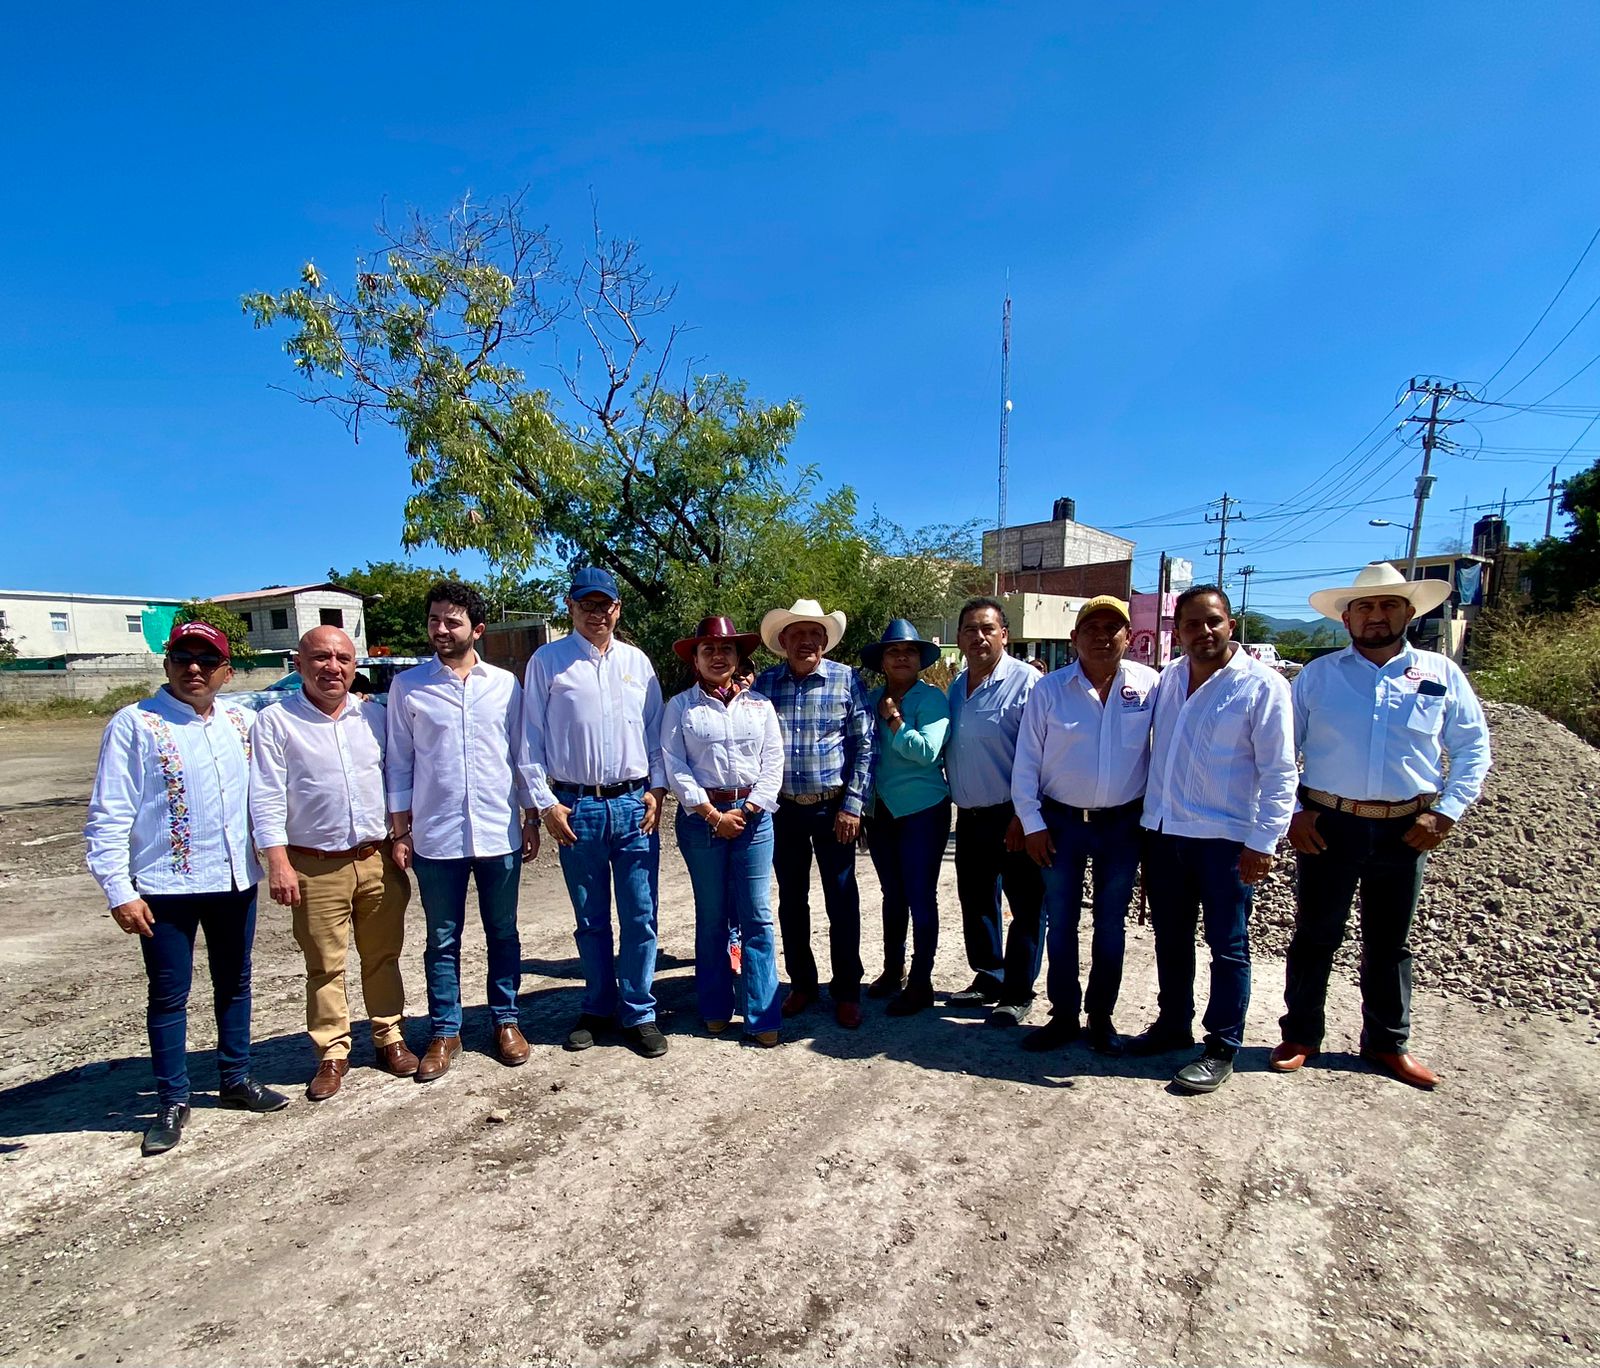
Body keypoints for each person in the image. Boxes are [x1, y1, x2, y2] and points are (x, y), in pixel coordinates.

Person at [1271, 562, 1491, 1089]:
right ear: (1346, 619)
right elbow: (1281, 752)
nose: (1376, 616)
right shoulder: (1318, 677)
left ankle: (1387, 1043)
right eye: (1365, 607)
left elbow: (1472, 748)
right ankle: (1301, 1034)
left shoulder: (1441, 675)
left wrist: (1447, 811)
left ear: (1409, 612)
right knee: (1315, 934)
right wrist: (1293, 815)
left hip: (1406, 827)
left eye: (1388, 605)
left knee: (1390, 941)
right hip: (1329, 825)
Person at [85, 622, 288, 1155]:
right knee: (170, 993)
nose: (193, 668)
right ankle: (173, 1100)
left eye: (206, 659)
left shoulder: (243, 723)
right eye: (182, 657)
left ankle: (235, 1079)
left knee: (235, 983)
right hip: (163, 887)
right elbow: (108, 814)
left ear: (227, 670)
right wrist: (117, 889)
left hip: (232, 881)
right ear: (168, 664)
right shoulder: (136, 725)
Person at [1127, 587, 1297, 1093]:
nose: (1204, 632)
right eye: (1193, 624)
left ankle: (1222, 1045)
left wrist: (1263, 841)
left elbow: (1280, 771)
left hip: (1225, 842)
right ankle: (1172, 1023)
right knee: (1170, 938)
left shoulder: (1261, 687)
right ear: (1176, 630)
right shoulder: (1170, 679)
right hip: (1165, 834)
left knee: (1228, 946)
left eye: (1214, 621)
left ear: (1231, 625)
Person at [250, 626, 417, 1101]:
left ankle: (390, 1036)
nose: (333, 667)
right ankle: (332, 1052)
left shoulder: (375, 717)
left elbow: (397, 781)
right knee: (324, 963)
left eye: (343, 659)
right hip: (314, 864)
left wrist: (401, 836)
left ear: (354, 665)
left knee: (383, 955)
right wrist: (277, 861)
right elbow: (264, 795)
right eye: (321, 657)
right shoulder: (276, 722)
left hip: (376, 857)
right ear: (298, 663)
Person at [387, 580, 538, 1082]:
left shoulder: (505, 685)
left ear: (477, 628)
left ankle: (506, 1021)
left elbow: (521, 757)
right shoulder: (408, 687)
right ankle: (445, 1030)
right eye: (434, 620)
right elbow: (401, 763)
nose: (441, 629)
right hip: (436, 835)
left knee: (504, 932)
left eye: (452, 621)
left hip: (498, 829)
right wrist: (401, 829)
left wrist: (531, 815)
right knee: (441, 937)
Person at [524, 567, 669, 1059]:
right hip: (577, 806)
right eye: (586, 603)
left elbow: (655, 735)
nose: (596, 612)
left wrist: (658, 789)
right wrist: (545, 804)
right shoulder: (548, 661)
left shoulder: (637, 662)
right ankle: (597, 1006)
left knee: (640, 915)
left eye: (604, 603)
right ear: (571, 607)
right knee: (590, 920)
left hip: (633, 805)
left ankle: (639, 1011)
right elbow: (529, 741)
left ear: (617, 608)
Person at [1012, 596, 1158, 1054]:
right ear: (1074, 638)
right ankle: (1063, 1014)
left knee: (1110, 924)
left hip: (1123, 824)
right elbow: (1026, 762)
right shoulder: (1049, 689)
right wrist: (1031, 822)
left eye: (1112, 627)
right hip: (1061, 823)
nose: (1101, 635)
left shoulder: (1150, 686)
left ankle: (1101, 1017)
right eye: (1090, 627)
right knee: (1062, 922)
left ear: (1128, 637)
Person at [662, 616, 784, 1044]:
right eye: (709, 649)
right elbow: (674, 766)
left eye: (727, 649)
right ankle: (715, 1006)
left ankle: (762, 1014)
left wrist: (748, 810)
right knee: (712, 916)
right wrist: (714, 815)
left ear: (738, 657)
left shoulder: (760, 707)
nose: (718, 656)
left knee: (757, 917)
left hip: (754, 818)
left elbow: (773, 764)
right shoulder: (680, 707)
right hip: (702, 820)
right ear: (695, 658)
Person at [755, 598, 875, 1029]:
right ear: (783, 640)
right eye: (798, 634)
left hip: (833, 811)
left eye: (814, 634)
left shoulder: (847, 681)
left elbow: (864, 746)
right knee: (792, 900)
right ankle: (802, 984)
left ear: (825, 641)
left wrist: (853, 806)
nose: (806, 641)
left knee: (842, 900)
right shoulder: (764, 685)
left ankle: (847, 990)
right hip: (782, 811)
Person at [944, 596, 1044, 1026]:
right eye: (970, 629)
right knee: (977, 899)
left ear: (1005, 634)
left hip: (1013, 814)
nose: (979, 636)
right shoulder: (954, 687)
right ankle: (989, 976)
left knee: (1025, 904)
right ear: (960, 637)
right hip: (968, 816)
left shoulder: (1026, 683)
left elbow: (1041, 754)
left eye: (988, 628)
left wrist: (1026, 816)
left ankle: (1019, 990)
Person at [861, 619, 951, 1016]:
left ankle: (921, 981)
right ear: (882, 660)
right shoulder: (873, 696)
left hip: (922, 811)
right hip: (882, 812)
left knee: (919, 896)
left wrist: (895, 719)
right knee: (892, 895)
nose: (901, 656)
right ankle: (892, 969)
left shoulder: (931, 700)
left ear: (920, 660)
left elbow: (927, 752)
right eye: (893, 651)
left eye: (909, 651)